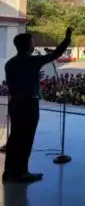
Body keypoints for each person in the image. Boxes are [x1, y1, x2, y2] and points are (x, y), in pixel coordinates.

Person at [3, 27, 72, 183]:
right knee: (26, 139)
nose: (34, 45)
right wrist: (67, 38)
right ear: (28, 46)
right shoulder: (33, 61)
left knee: (14, 139)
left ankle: (9, 172)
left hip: (15, 104)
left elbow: (16, 82)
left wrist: (32, 76)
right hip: (29, 105)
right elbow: (55, 54)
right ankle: (22, 172)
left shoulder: (10, 63)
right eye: (32, 42)